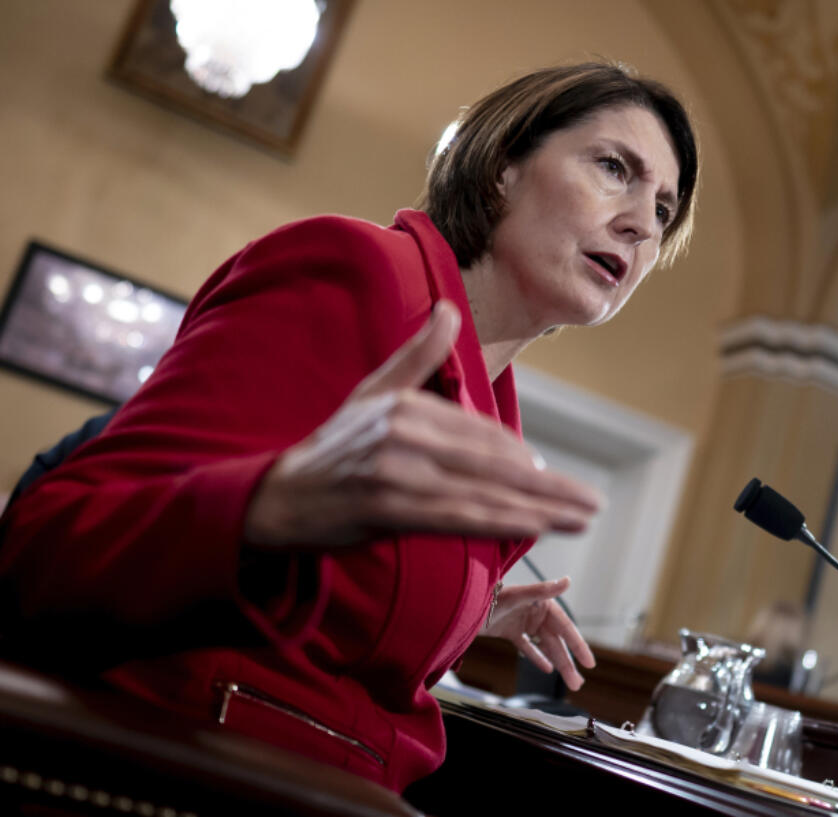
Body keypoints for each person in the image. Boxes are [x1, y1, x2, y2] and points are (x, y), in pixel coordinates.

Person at [0, 62, 699, 793]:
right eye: (614, 168)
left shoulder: (490, 402)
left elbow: (349, 633)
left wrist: (469, 608)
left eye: (662, 210)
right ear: (503, 168)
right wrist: (267, 506)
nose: (638, 223)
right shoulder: (356, 271)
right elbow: (43, 546)